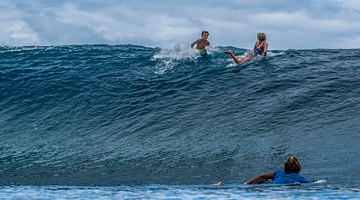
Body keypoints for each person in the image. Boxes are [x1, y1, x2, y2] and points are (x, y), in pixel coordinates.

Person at [244, 156, 310, 184]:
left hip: (270, 184)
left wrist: (247, 183)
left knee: (262, 180)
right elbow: (309, 183)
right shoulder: (299, 177)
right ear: (299, 167)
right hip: (279, 188)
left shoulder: (278, 172)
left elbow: (262, 176)